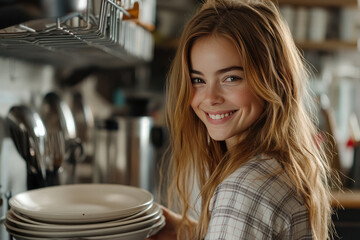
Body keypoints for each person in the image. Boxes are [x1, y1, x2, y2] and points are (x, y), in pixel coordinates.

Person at [148, 0, 338, 239]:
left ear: (278, 79)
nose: (210, 98)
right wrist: (188, 231)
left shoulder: (244, 189)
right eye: (198, 80)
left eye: (231, 78)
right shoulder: (277, 167)